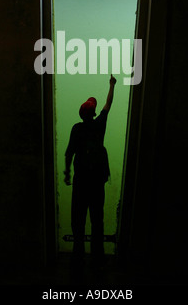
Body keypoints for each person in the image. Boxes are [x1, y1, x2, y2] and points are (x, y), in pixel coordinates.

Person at [64, 74, 117, 266]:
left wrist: (67, 173)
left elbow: (69, 153)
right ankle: (98, 259)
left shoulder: (76, 129)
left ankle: (78, 257)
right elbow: (108, 104)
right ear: (94, 113)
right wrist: (112, 86)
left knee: (78, 221)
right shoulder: (99, 125)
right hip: (96, 183)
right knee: (97, 220)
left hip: (80, 183)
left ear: (81, 114)